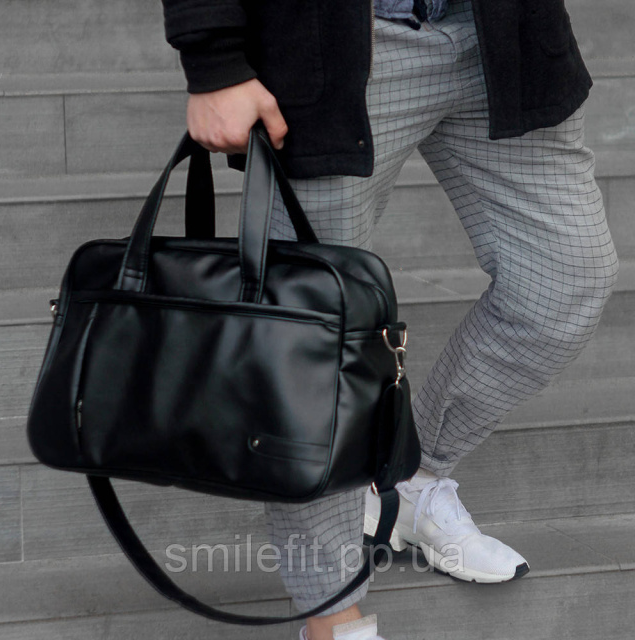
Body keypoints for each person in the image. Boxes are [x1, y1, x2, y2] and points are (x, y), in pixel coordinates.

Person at [160, 1, 620, 638]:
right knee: (309, 339)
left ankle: (409, 480)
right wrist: (213, 60)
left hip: (497, 32)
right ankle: (331, 615)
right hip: (339, 41)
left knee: (568, 277)